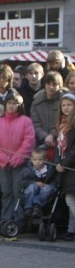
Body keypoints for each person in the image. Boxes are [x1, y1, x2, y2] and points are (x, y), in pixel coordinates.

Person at [0, 88, 35, 229]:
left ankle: (18, 222)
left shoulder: (26, 121)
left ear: (19, 105)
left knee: (18, 193)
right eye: (9, 103)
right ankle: (5, 221)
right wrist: (3, 159)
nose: (11, 105)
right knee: (6, 193)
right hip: (1, 165)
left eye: (15, 103)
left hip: (20, 165)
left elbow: (29, 142)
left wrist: (16, 159)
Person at [55, 93, 75, 241]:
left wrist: (64, 164)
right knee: (71, 199)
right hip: (64, 167)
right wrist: (58, 163)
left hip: (71, 167)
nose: (66, 108)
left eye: (69, 105)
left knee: (70, 200)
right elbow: (59, 148)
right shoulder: (62, 125)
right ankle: (71, 230)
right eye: (64, 105)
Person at [31, 71, 64, 148]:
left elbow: (65, 122)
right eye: (48, 84)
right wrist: (45, 136)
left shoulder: (64, 101)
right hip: (41, 141)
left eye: (54, 84)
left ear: (59, 86)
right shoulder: (36, 102)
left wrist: (52, 135)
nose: (51, 87)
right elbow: (35, 123)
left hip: (61, 141)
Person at [21, 147, 57, 219]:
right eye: (35, 160)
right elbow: (23, 182)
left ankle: (37, 206)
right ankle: (28, 207)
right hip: (33, 189)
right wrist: (35, 183)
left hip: (46, 189)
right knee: (31, 187)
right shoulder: (27, 170)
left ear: (45, 160)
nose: (37, 162)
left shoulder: (51, 169)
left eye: (40, 160)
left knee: (46, 188)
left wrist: (48, 185)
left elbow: (55, 181)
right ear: (31, 160)